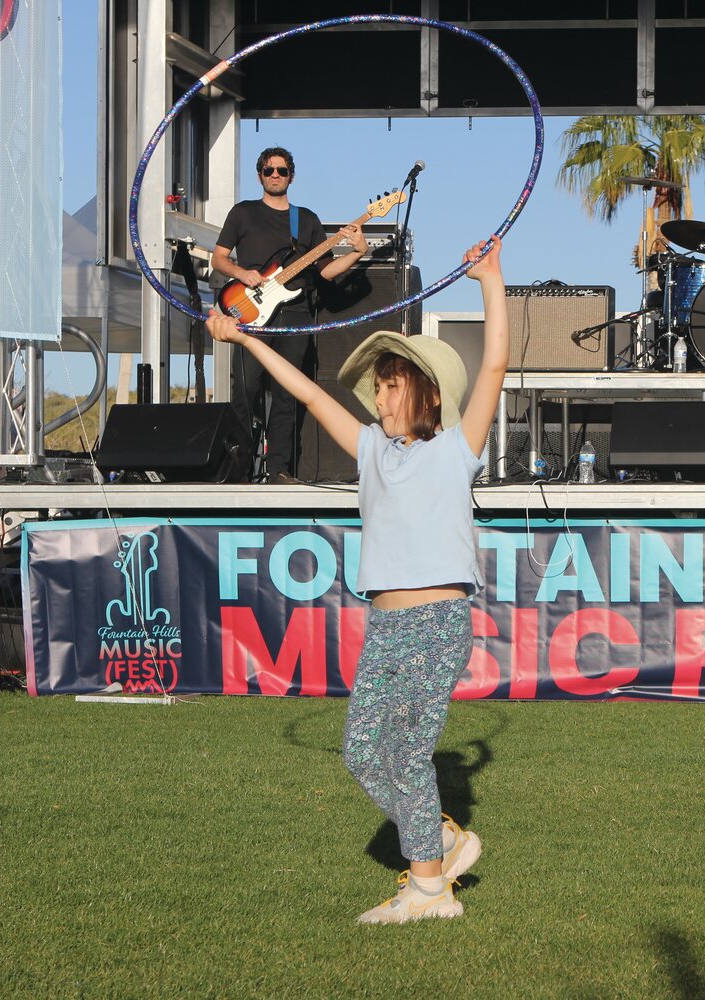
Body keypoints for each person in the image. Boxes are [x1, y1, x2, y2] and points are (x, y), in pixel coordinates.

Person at [207, 235, 508, 924]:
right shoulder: (371, 447)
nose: (379, 392)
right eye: (377, 384)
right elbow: (310, 395)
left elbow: (494, 364)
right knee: (363, 751)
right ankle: (439, 840)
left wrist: (490, 280)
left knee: (405, 751)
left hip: (436, 624)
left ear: (425, 390)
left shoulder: (457, 451)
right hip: (387, 625)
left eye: (391, 381)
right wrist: (247, 339)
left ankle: (429, 890)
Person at [211, 147, 369, 484]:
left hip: (295, 313)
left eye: (281, 171)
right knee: (246, 392)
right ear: (259, 175)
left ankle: (278, 470)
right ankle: (238, 471)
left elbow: (326, 273)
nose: (275, 176)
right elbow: (219, 259)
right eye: (269, 171)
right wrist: (242, 274)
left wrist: (357, 252)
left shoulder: (306, 220)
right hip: (252, 313)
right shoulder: (243, 213)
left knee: (287, 394)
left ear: (291, 175)